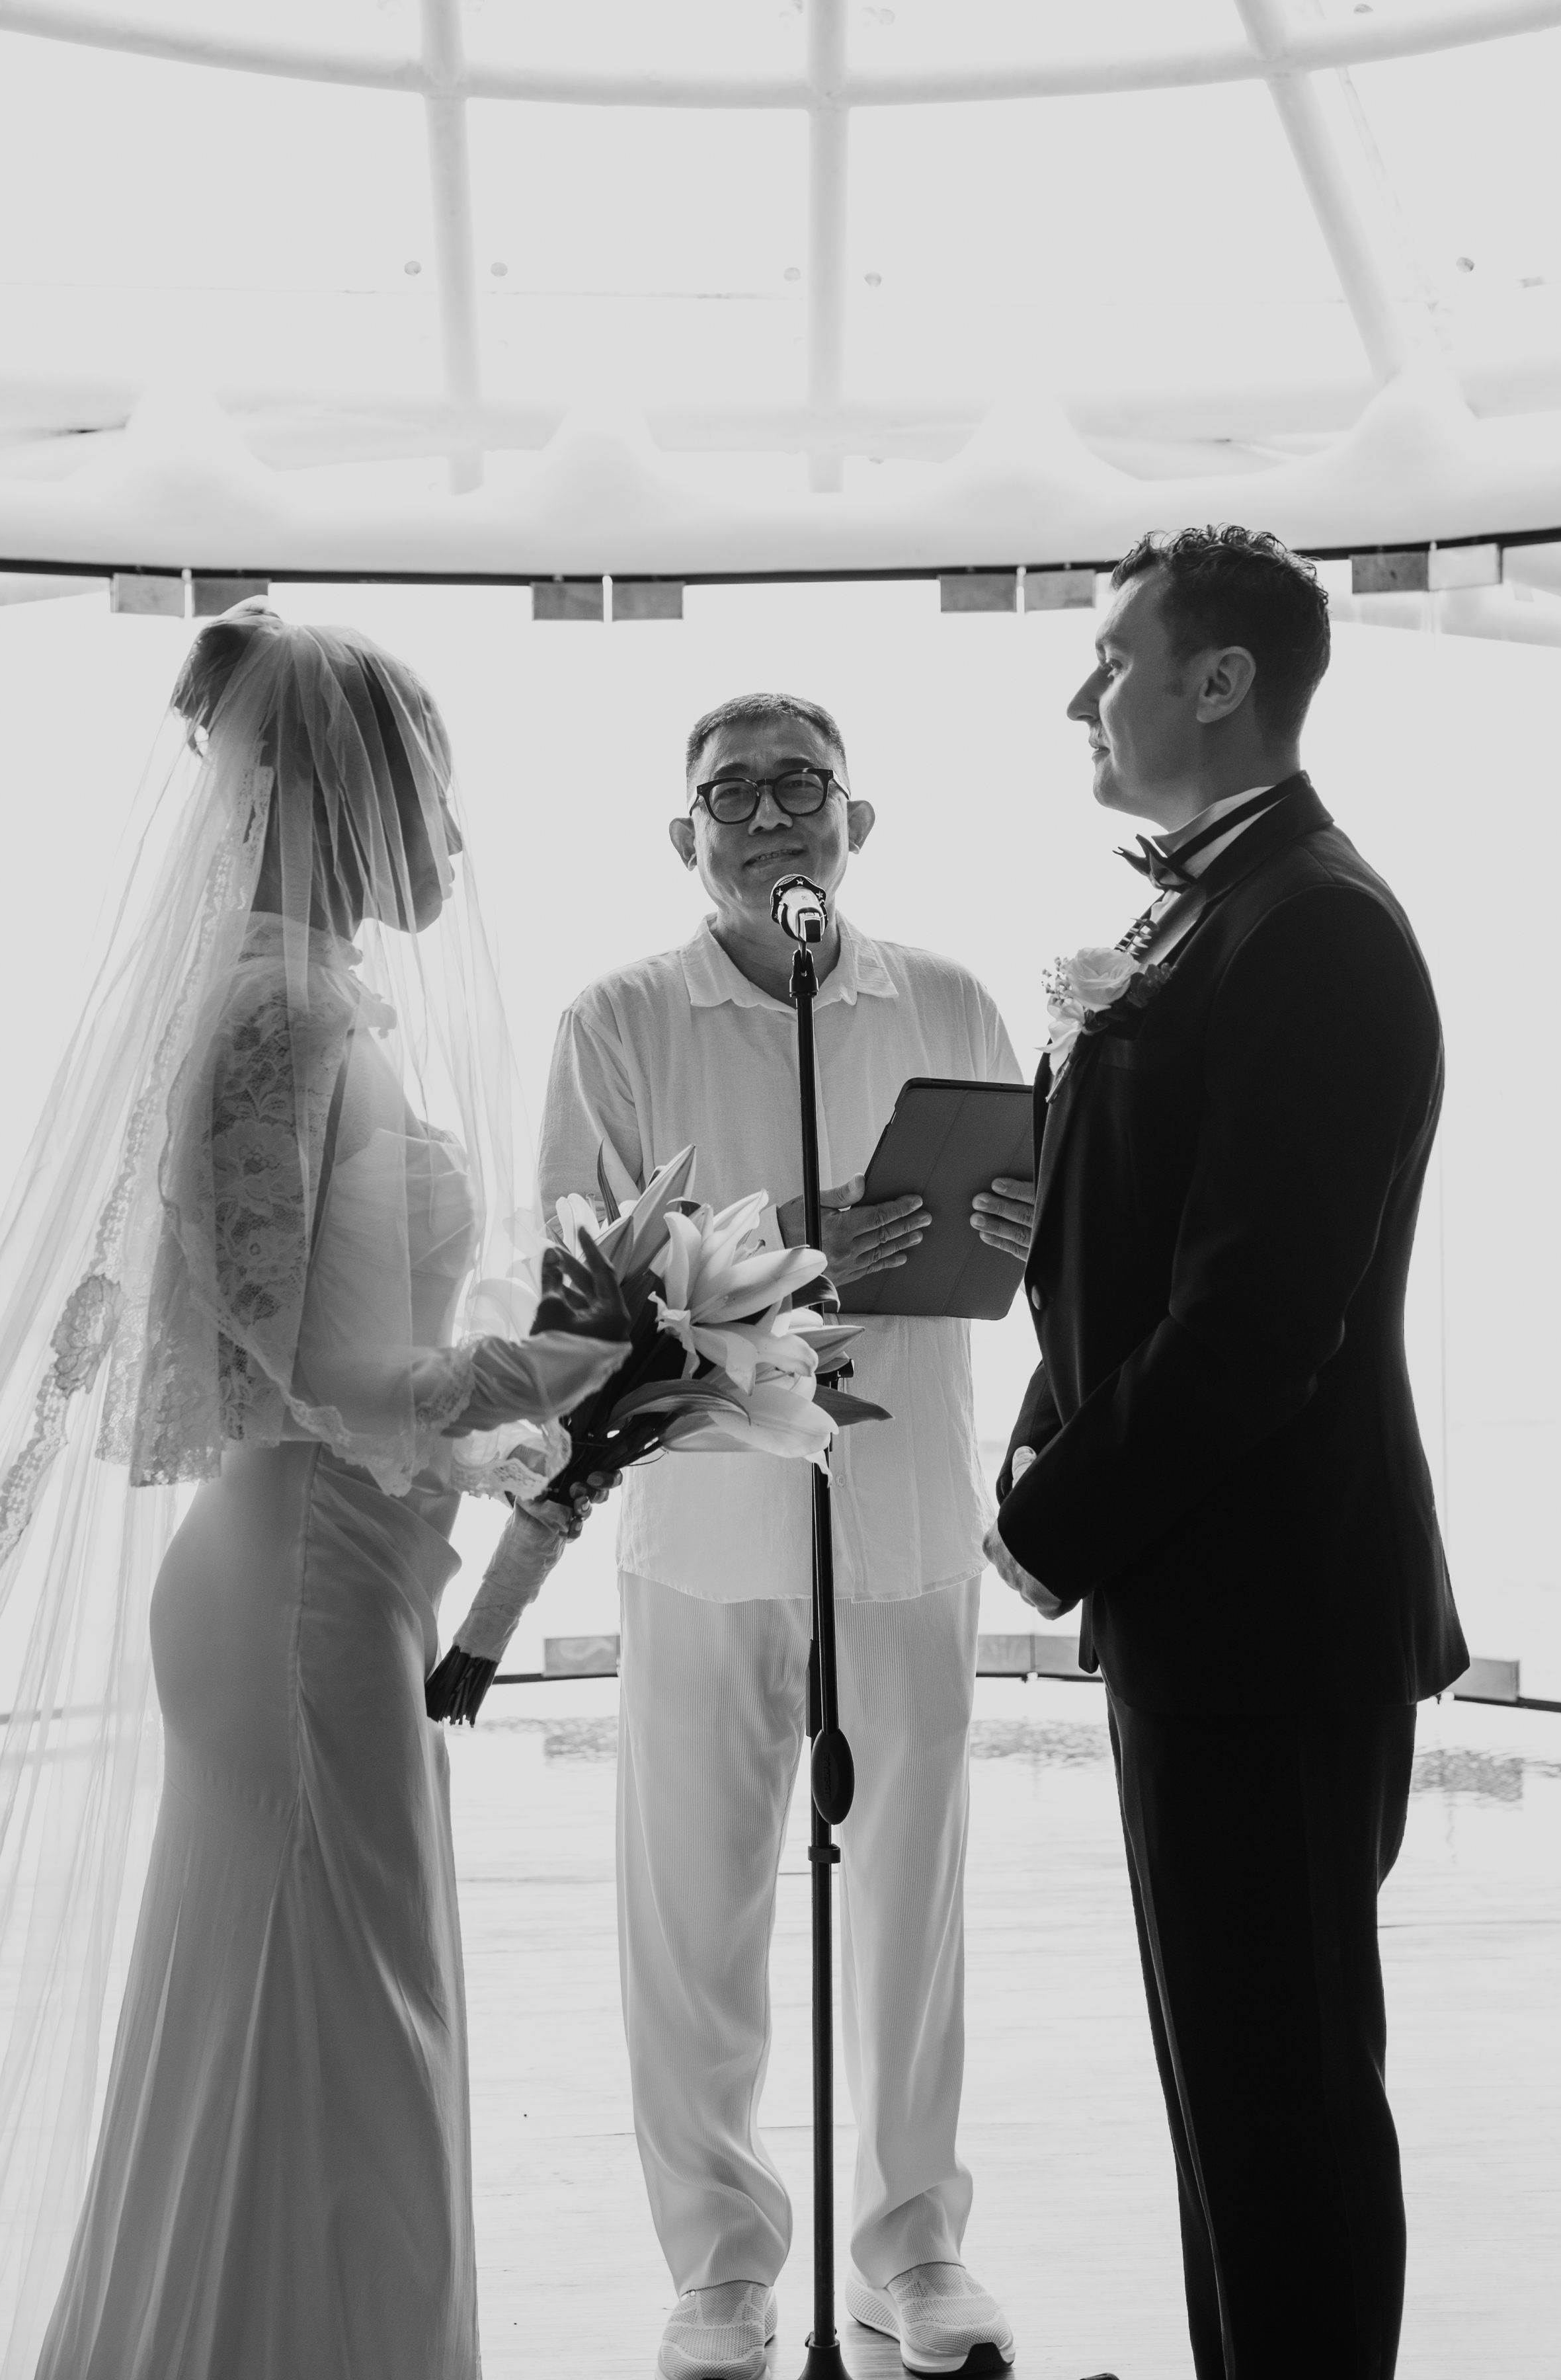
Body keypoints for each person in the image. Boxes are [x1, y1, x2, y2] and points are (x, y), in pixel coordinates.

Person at [0, 606, 627, 2379]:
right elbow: (323, 1377)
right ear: (340, 798)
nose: (455, 840)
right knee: (349, 2032)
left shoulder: (295, 999)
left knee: (309, 2029)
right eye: (431, 797)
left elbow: (331, 1349)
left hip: (320, 1566)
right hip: (301, 1589)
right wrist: (587, 1362)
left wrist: (513, 1412)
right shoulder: (283, 1015)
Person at [986, 526, 1467, 2380]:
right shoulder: (1207, 910)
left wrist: (1055, 1517)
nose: (1080, 696)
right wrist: (1042, 1435)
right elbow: (1122, 1251)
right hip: (1208, 1597)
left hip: (1279, 1608)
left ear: (1220, 680)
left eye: (1111, 658)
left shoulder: (1316, 928)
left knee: (1286, 2108)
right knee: (1231, 2096)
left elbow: (1264, 1318)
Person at [540, 691, 1028, 2380]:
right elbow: (576, 1293)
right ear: (684, 835)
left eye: (801, 785)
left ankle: (916, 2247)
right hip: (709, 1521)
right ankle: (721, 2267)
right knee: (694, 1906)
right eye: (730, 792)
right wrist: (791, 1242)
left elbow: (1029, 1237)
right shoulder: (617, 1020)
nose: (769, 815)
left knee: (913, 1897)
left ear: (854, 821)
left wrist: (1028, 1221)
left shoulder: (950, 998)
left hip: (904, 1514)